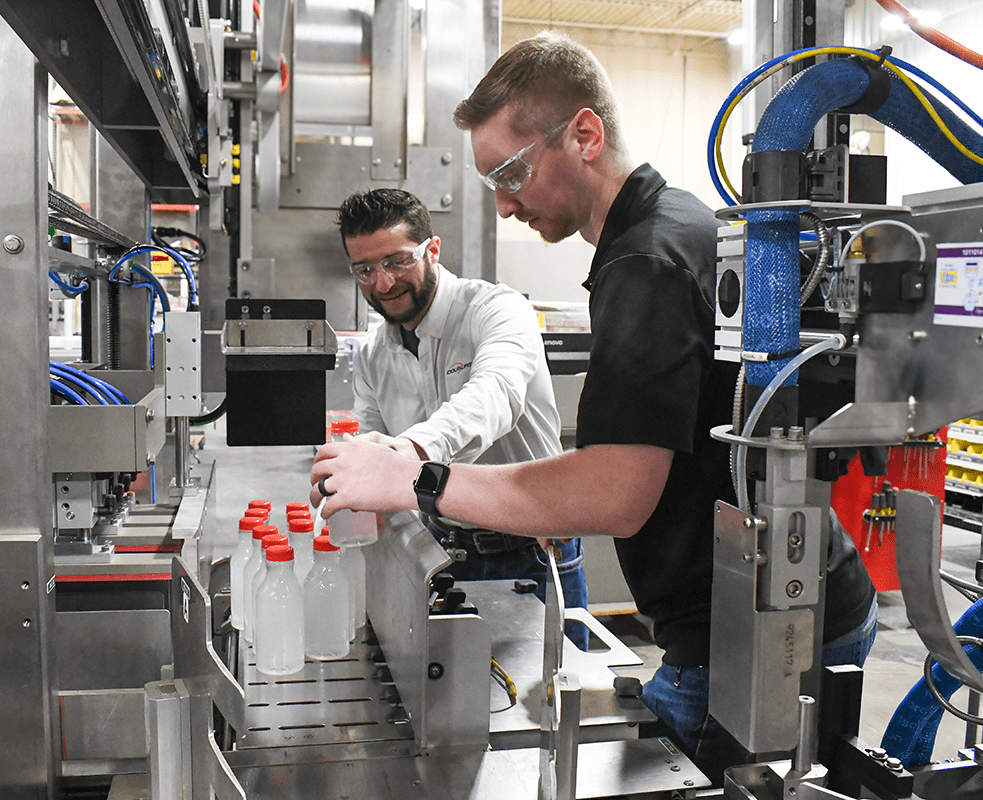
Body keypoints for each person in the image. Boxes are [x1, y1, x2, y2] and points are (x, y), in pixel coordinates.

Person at [311, 31, 877, 781]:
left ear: (584, 134)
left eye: (512, 172)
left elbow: (616, 495)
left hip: (752, 633)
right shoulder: (663, 228)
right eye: (492, 184)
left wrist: (418, 477)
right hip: (761, 607)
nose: (506, 205)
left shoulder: (644, 260)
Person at [335, 187, 590, 648]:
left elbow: (496, 394)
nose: (384, 284)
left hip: (533, 549)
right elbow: (369, 434)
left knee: (548, 703)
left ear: (432, 249)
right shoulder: (375, 352)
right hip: (443, 550)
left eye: (397, 261)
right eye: (365, 270)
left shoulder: (496, 309)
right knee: (459, 701)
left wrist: (411, 452)